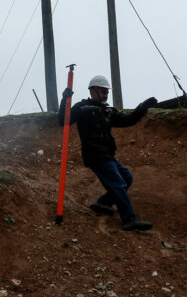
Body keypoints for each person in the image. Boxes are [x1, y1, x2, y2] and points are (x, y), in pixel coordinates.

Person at [58, 75, 158, 231]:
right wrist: (65, 100)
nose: (105, 95)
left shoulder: (107, 111)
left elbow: (128, 120)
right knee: (118, 183)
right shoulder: (82, 108)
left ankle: (103, 203)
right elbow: (63, 120)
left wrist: (142, 107)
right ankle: (129, 219)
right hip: (95, 155)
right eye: (103, 92)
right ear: (93, 91)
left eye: (107, 92)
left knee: (126, 178)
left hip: (107, 155)